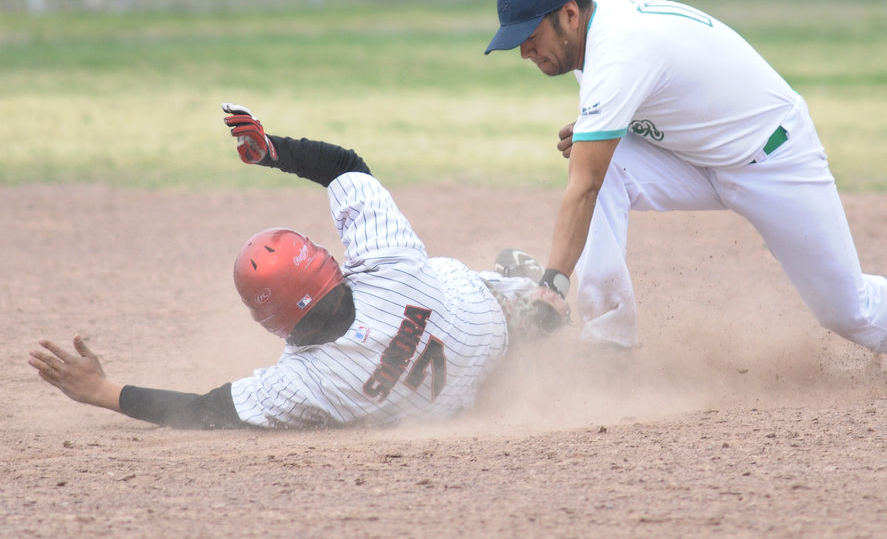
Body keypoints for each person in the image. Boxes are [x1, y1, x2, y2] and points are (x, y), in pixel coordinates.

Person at [484, 0, 887, 379]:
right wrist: (599, 129)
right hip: (699, 158)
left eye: (530, 36)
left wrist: (551, 287)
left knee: (846, 311)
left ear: (569, 14)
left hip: (775, 160)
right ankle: (608, 343)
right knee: (601, 164)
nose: (525, 52)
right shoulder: (600, 37)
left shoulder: (621, 47)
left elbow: (584, 185)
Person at [28, 103, 568, 430]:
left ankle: (518, 299)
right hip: (488, 325)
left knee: (467, 320)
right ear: (326, 267)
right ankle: (525, 295)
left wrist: (102, 391)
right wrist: (272, 152)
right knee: (490, 282)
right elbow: (345, 168)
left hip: (448, 410)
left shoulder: (307, 383)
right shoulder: (389, 264)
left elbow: (204, 411)